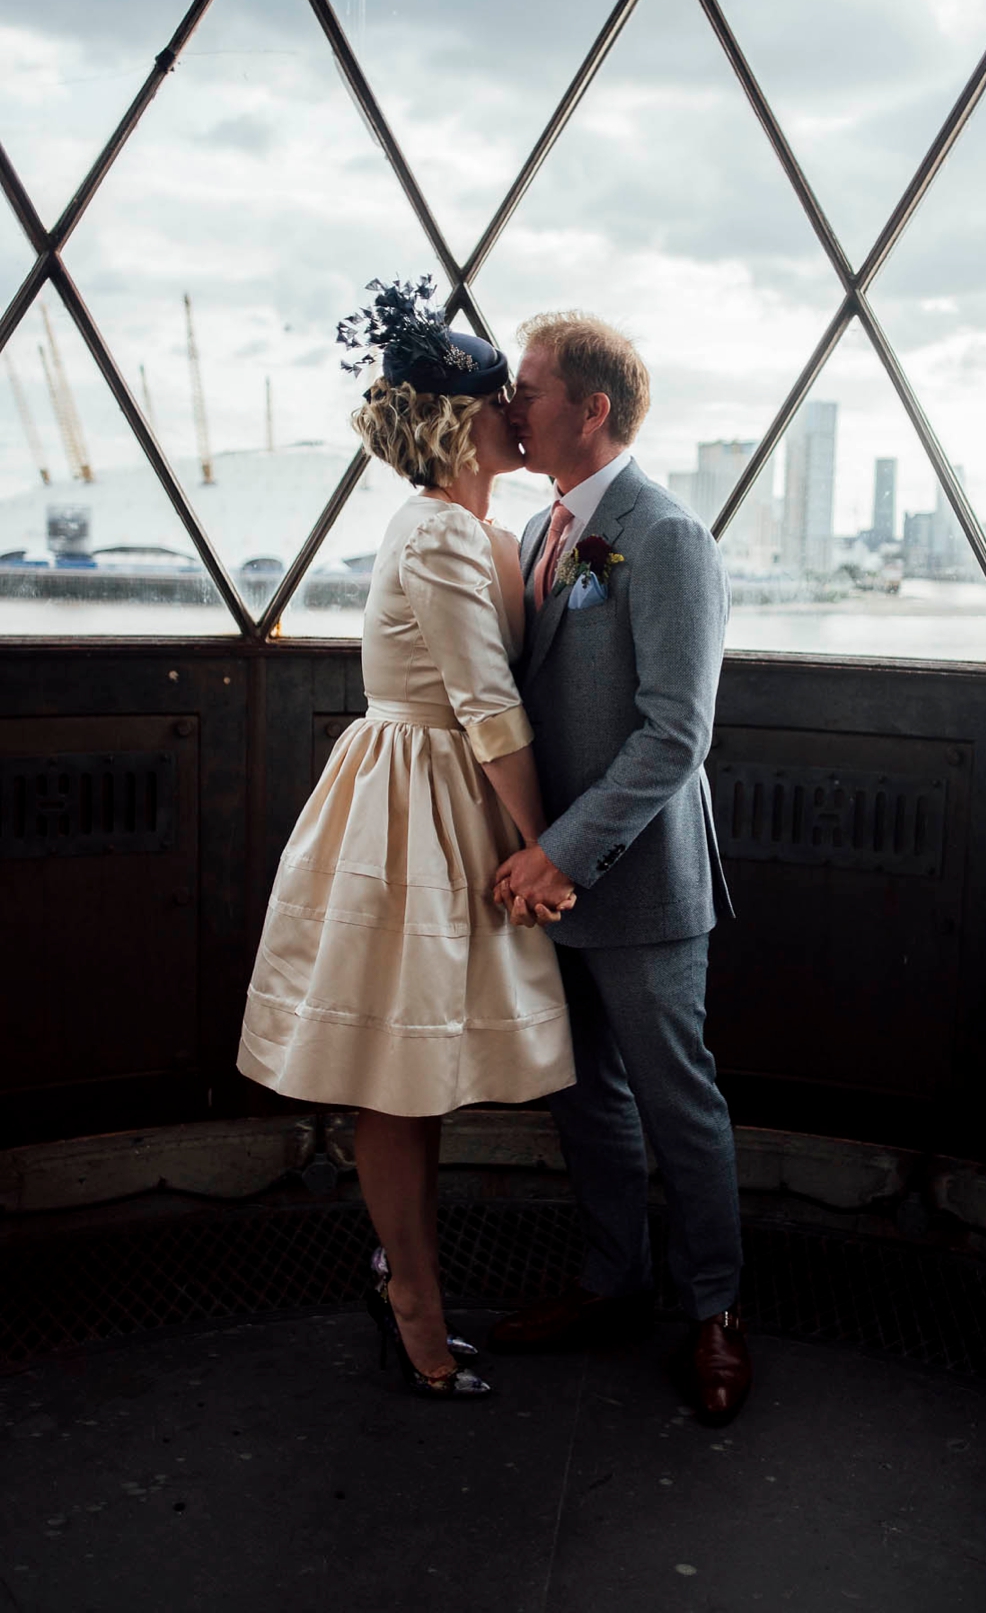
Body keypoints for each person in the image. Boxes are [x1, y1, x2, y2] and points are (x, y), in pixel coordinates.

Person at [237, 278, 576, 1399]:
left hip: (449, 795)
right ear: (462, 420)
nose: (519, 415)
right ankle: (416, 1303)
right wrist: (554, 849)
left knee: (416, 1068)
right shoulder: (434, 530)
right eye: (503, 400)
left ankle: (404, 1273)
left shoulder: (488, 527)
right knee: (397, 1073)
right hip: (415, 806)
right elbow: (486, 705)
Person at [490, 312, 751, 1426]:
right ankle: (612, 1280)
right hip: (562, 884)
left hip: (635, 885)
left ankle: (714, 1312)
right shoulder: (550, 528)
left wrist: (560, 849)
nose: (513, 405)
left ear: (591, 409)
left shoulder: (667, 534)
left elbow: (674, 733)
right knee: (586, 1098)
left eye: (532, 387)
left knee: (674, 1100)